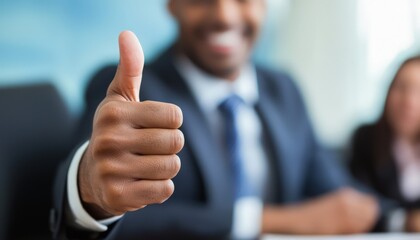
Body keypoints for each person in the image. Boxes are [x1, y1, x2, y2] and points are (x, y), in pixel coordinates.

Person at [51, 0, 381, 239]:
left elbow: (335, 190)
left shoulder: (284, 90)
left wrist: (398, 218)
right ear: (172, 5)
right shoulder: (132, 93)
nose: (224, 14)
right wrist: (90, 189)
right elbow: (114, 201)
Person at [349, 55, 420, 232]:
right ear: (388, 92)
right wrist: (405, 221)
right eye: (401, 88)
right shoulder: (365, 139)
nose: (408, 102)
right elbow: (358, 203)